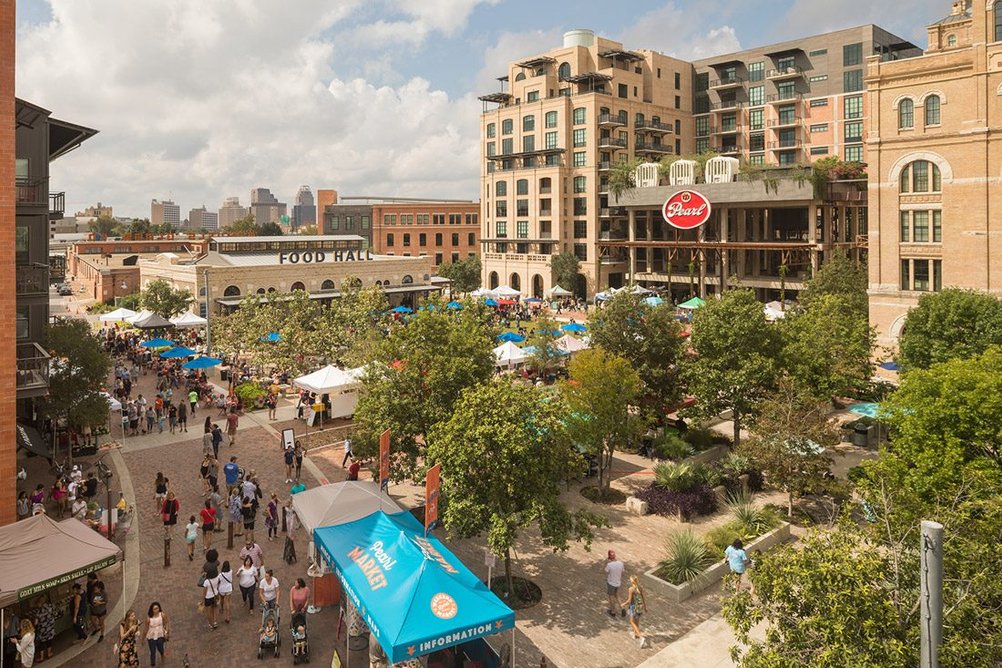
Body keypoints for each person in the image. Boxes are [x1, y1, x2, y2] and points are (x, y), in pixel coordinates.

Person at [622, 575, 648, 648]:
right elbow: (642, 598)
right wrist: (645, 607)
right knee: (637, 621)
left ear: (631, 581)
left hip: (633, 607)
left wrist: (623, 604)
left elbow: (629, 601)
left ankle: (641, 637)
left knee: (632, 622)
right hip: (640, 607)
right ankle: (636, 634)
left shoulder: (631, 589)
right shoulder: (640, 588)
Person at [30, 595, 56, 663]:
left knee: (41, 643)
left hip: (42, 630)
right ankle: (49, 653)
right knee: (49, 641)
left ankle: (41, 657)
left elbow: (35, 623)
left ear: (39, 603)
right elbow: (55, 613)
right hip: (50, 628)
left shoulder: (38, 612)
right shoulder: (50, 607)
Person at [144, 602, 169, 667]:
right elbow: (146, 629)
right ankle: (153, 664)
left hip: (160, 635)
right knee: (152, 651)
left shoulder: (162, 615)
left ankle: (162, 655)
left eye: (157, 608)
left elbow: (166, 623)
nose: (156, 610)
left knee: (161, 648)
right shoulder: (149, 618)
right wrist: (143, 638)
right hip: (151, 637)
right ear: (152, 610)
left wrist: (166, 632)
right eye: (154, 609)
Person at [605, 549, 625, 618]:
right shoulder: (621, 563)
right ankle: (622, 607)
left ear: (609, 557)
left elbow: (605, 571)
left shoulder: (609, 565)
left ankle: (613, 611)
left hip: (611, 583)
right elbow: (622, 572)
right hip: (618, 583)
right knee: (617, 595)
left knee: (611, 597)